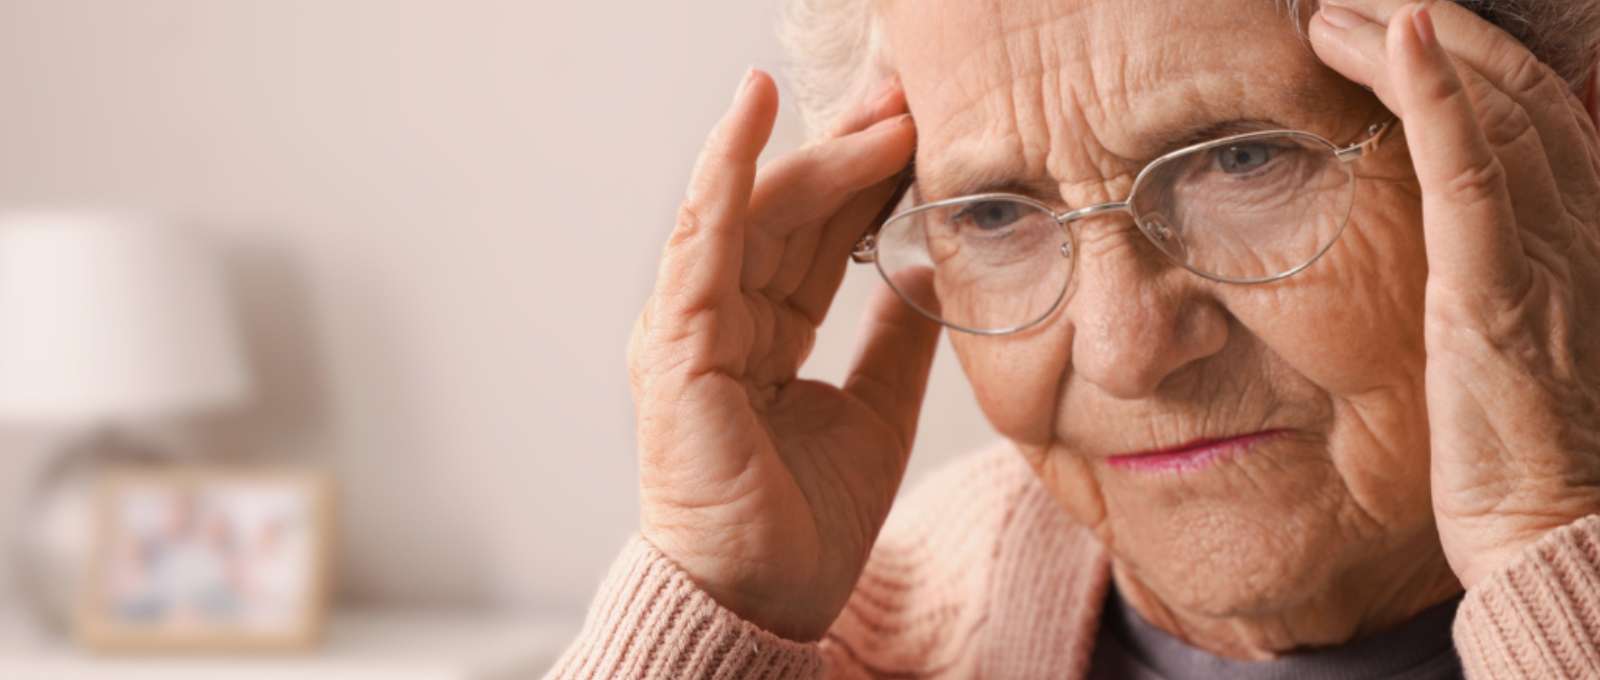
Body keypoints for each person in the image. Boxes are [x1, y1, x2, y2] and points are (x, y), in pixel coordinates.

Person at [550, 0, 1600, 677]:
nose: (1120, 347)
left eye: (1239, 159)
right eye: (996, 214)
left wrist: (1550, 543)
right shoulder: (858, 642)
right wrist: (723, 603)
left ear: (1561, 146)